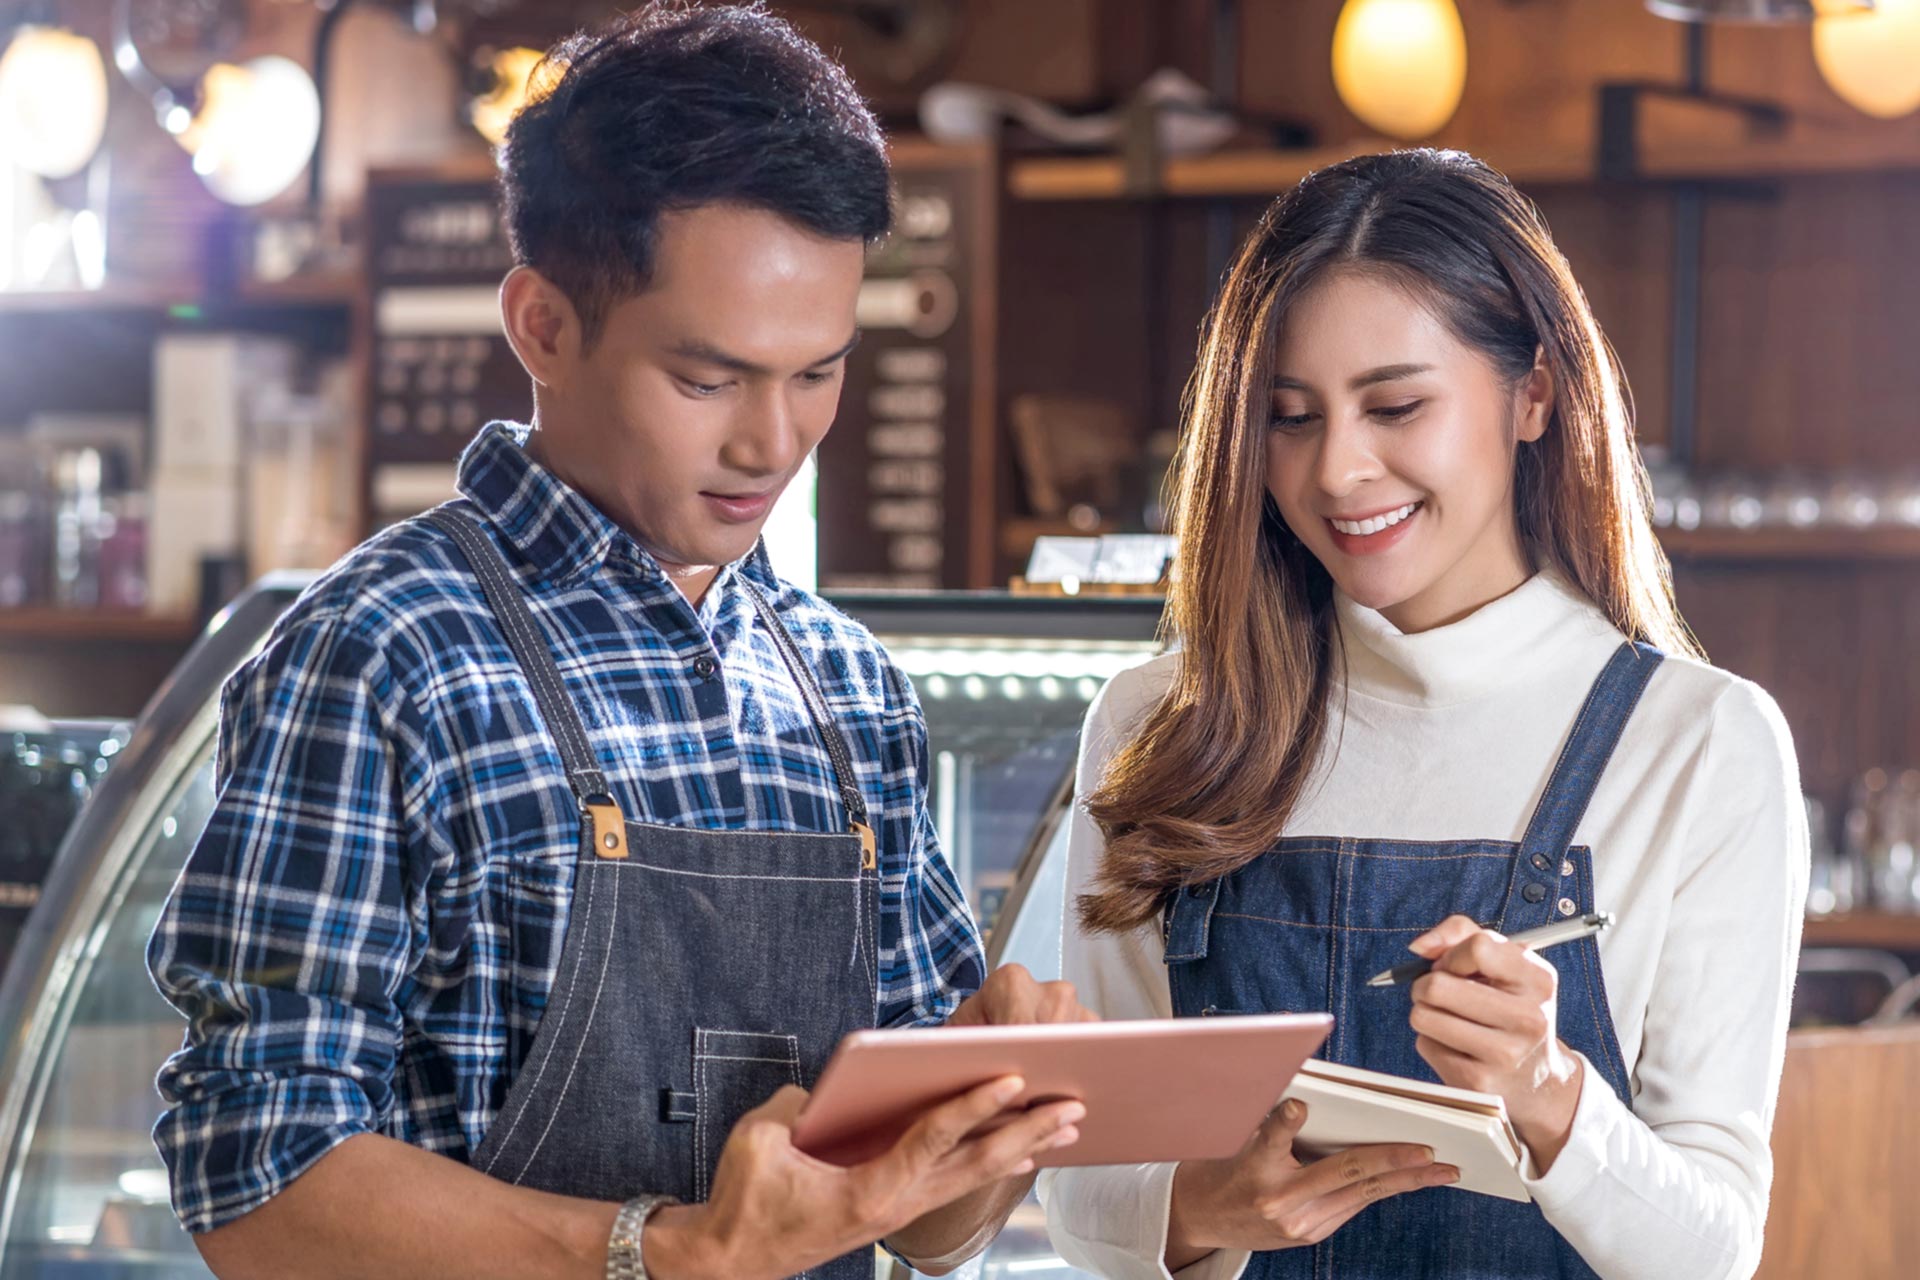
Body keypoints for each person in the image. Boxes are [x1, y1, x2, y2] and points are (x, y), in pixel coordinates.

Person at [146, 6, 1088, 1278]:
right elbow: (256, 1169)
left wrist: (997, 1113)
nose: (774, 443)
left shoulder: (849, 689)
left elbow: (928, 1228)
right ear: (541, 324)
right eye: (709, 379)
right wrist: (666, 1252)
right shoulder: (385, 652)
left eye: (819, 371)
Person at [1040, 149, 1807, 1280]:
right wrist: (1202, 1204)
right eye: (1290, 418)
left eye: (1395, 405)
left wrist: (1550, 1098)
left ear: (1534, 391)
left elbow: (1713, 1248)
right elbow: (1081, 1188)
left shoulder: (1700, 744)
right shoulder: (1161, 723)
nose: (1340, 470)